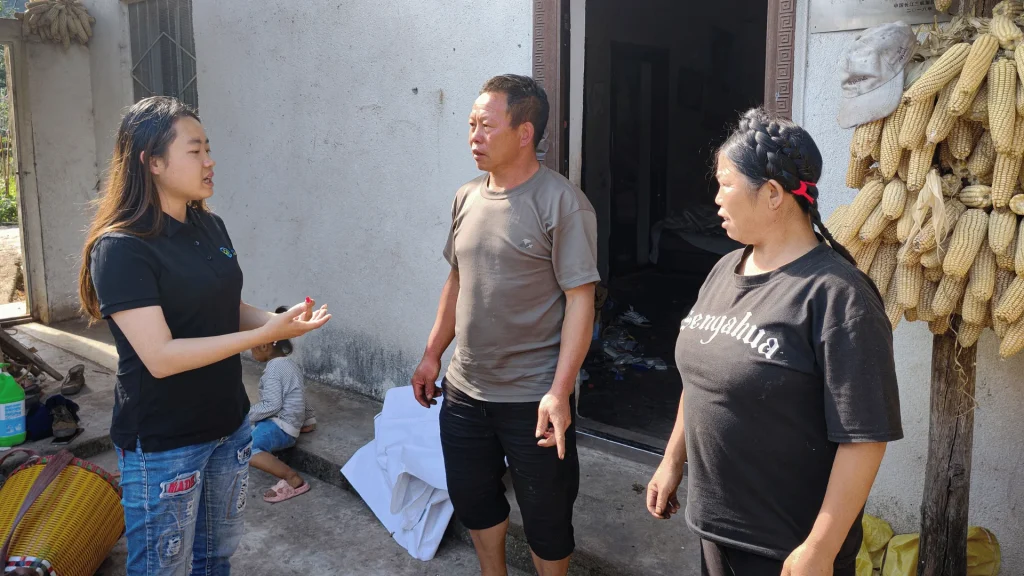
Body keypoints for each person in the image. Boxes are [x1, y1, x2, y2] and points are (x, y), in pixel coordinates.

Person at [78, 96, 331, 576]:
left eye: (208, 148)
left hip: (229, 428)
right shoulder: (122, 249)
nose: (210, 161)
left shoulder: (208, 224)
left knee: (215, 560)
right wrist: (264, 334)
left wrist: (278, 321)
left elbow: (226, 309)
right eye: (195, 150)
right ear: (151, 161)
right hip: (165, 444)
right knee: (162, 569)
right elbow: (161, 356)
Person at [645, 108, 903, 576]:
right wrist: (671, 459)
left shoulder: (838, 297)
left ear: (772, 194)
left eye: (726, 184)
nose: (716, 198)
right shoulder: (726, 269)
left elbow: (864, 439)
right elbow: (704, 373)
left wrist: (820, 549)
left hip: (786, 551)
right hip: (715, 532)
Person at [411, 74, 599, 576]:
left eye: (486, 126)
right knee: (474, 501)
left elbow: (582, 302)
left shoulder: (563, 204)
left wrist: (560, 391)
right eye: (470, 124)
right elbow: (456, 280)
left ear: (525, 133)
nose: (474, 136)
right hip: (465, 390)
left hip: (534, 398)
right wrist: (432, 354)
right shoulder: (467, 196)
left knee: (547, 517)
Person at [248, 306, 317, 503]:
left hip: (281, 427)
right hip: (288, 425)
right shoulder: (288, 364)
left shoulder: (273, 370)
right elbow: (298, 394)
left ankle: (293, 479)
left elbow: (272, 405)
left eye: (253, 346)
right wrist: (307, 420)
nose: (251, 351)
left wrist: (244, 415)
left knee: (246, 449)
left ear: (265, 346)